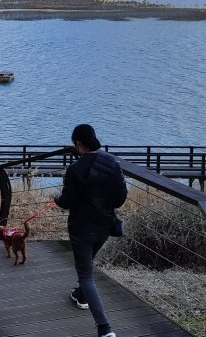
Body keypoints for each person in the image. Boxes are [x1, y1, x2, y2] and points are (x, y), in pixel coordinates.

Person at [53, 124, 128, 337]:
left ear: (78, 143)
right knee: (87, 266)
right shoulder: (112, 162)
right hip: (105, 225)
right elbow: (120, 198)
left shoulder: (74, 170)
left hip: (81, 228)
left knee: (86, 275)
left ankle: (105, 329)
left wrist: (56, 198)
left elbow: (67, 202)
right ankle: (81, 295)